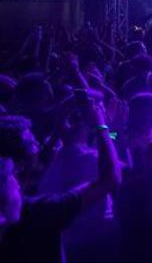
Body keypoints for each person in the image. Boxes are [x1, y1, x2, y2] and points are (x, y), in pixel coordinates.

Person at [0, 94, 122, 263]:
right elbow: (112, 175)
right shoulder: (35, 212)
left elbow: (44, 159)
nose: (38, 145)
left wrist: (60, 128)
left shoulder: (56, 159)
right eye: (32, 143)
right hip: (94, 244)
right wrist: (103, 125)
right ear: (17, 164)